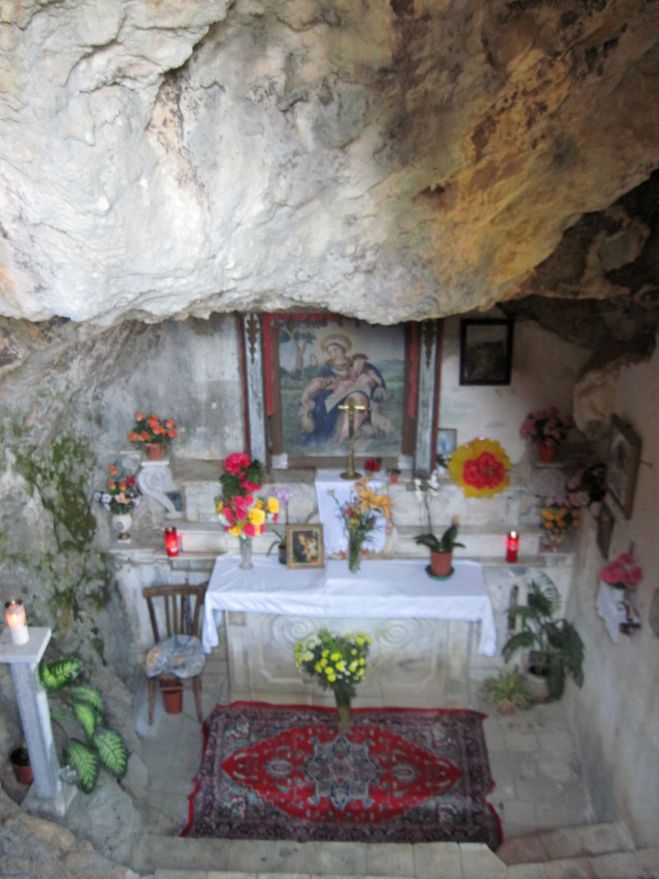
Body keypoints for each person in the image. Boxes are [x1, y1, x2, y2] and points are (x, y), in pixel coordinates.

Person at [300, 335, 391, 446]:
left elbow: (373, 378)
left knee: (356, 399)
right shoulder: (327, 367)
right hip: (336, 394)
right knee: (323, 405)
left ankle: (344, 437)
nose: (333, 353)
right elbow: (321, 381)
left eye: (335, 349)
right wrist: (308, 392)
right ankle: (335, 437)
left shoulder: (356, 363)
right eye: (330, 351)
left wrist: (371, 381)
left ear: (343, 349)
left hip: (357, 392)